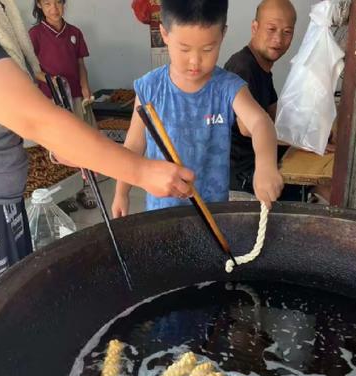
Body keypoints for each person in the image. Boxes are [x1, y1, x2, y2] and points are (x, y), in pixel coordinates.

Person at [0, 0, 194, 345]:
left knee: (11, 322)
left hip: (0, 203)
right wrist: (141, 170)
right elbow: (35, 118)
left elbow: (25, 114)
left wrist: (74, 145)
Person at [111, 0, 283, 217]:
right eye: (184, 49)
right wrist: (121, 192)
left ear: (223, 34)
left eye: (208, 49)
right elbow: (134, 145)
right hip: (161, 213)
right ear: (164, 33)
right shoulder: (150, 88)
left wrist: (266, 165)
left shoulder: (227, 87)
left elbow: (260, 122)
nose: (195, 61)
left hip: (212, 213)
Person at [29, 0, 98, 212]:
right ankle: (63, 195)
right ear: (40, 6)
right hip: (51, 99)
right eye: (47, 4)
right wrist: (52, 80)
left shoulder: (74, 32)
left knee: (81, 142)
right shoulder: (35, 35)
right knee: (59, 146)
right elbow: (31, 68)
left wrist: (85, 87)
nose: (54, 9)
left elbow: (80, 65)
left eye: (58, 3)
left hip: (75, 96)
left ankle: (82, 190)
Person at [224, 0, 296, 195]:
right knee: (318, 190)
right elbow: (249, 128)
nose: (279, 39)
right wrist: (301, 142)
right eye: (271, 29)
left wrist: (314, 133)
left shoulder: (263, 69)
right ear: (254, 27)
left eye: (287, 32)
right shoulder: (242, 67)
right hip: (242, 174)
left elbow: (276, 116)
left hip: (258, 164)